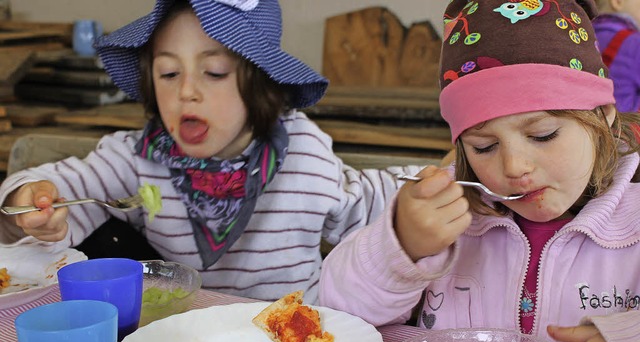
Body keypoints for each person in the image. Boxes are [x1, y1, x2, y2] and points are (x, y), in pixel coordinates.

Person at [0, 0, 420, 304]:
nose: (186, 91)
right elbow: (54, 190)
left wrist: (430, 188)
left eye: (214, 72)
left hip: (292, 340)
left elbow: (375, 202)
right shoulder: (138, 159)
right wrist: (29, 204)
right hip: (182, 341)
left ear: (261, 83)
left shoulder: (304, 156)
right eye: (168, 73)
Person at [320, 0, 640, 342]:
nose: (514, 166)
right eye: (484, 146)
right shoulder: (446, 218)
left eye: (543, 135)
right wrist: (403, 245)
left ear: (605, 119)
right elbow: (336, 313)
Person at [593, 0, 640, 112]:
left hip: (592, 124)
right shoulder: (634, 43)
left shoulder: (585, 33)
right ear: (617, 2)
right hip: (627, 125)